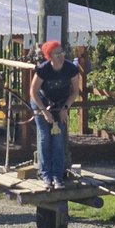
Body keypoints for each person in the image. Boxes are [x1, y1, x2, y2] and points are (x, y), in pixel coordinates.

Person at [30, 40, 80, 190]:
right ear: (49, 56)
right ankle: (46, 175)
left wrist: (65, 108)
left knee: (58, 139)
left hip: (60, 104)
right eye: (57, 54)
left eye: (61, 53)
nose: (61, 56)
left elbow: (75, 92)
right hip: (41, 103)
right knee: (45, 138)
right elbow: (33, 92)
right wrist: (44, 112)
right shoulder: (43, 69)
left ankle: (57, 177)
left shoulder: (71, 68)